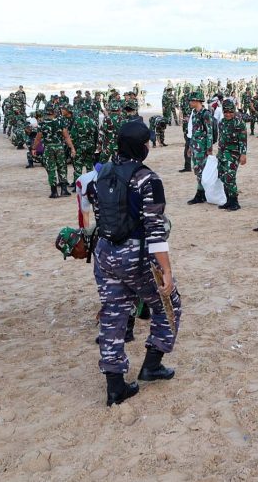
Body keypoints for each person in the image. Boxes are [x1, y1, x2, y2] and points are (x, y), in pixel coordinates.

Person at [86, 121, 181, 406]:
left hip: (104, 254)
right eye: (147, 142)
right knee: (168, 305)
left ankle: (115, 386)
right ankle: (151, 365)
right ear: (141, 146)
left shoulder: (100, 173)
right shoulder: (147, 179)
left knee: (113, 315)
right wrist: (166, 270)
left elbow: (99, 213)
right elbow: (155, 231)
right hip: (135, 256)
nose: (149, 146)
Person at [32, 104, 76, 198]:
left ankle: (54, 191)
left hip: (48, 148)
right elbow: (66, 136)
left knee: (51, 169)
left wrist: (34, 148)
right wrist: (72, 148)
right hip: (59, 147)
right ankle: (64, 190)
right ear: (54, 112)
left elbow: (38, 138)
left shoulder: (43, 123)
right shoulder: (60, 121)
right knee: (62, 167)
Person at [216, 99, 247, 211]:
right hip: (222, 154)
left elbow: (243, 141)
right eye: (226, 112)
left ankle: (235, 201)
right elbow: (221, 139)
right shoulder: (222, 122)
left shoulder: (239, 123)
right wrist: (218, 153)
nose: (228, 114)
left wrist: (243, 154)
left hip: (233, 155)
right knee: (223, 177)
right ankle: (228, 200)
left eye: (230, 112)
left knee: (230, 177)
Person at [186, 91, 214, 205]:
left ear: (197, 101)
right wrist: (190, 146)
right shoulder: (194, 113)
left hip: (202, 148)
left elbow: (209, 132)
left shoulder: (205, 113)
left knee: (201, 171)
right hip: (195, 146)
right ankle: (201, 194)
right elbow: (193, 131)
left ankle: (201, 194)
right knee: (197, 170)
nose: (190, 102)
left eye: (191, 100)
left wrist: (209, 148)